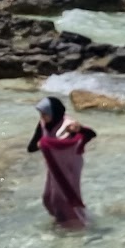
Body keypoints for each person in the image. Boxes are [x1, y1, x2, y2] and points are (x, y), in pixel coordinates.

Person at [27, 97, 94, 229]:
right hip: (54, 165)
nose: (42, 117)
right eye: (41, 114)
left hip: (70, 165)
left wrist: (79, 129)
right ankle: (63, 220)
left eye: (45, 114)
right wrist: (41, 144)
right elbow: (31, 147)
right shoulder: (43, 123)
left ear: (54, 112)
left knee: (62, 198)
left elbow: (90, 133)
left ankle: (76, 227)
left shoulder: (68, 124)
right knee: (48, 199)